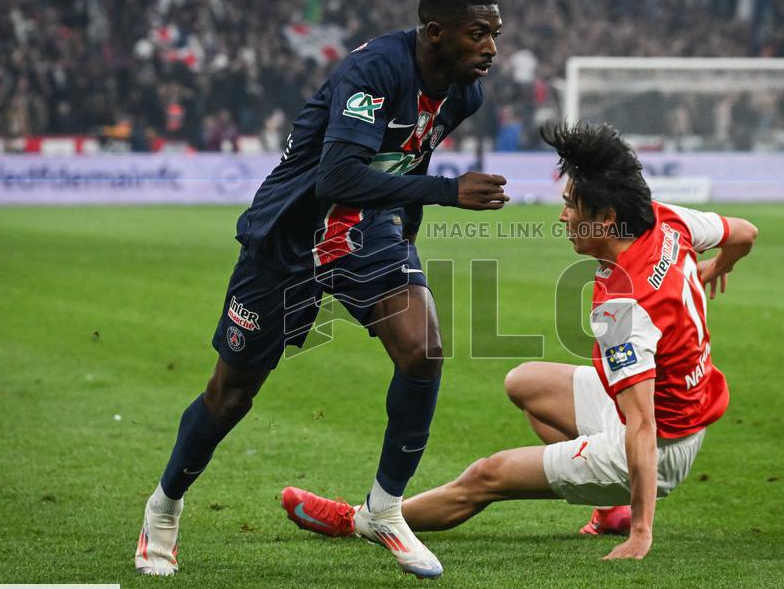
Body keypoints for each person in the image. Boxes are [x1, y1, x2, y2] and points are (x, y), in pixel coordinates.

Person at [135, 0, 507, 580]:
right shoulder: (374, 71)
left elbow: (409, 156)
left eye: (495, 34)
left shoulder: (465, 93)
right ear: (437, 33)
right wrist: (446, 193)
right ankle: (164, 506)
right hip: (290, 234)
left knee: (423, 350)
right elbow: (335, 176)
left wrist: (407, 229)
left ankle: (384, 509)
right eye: (479, 33)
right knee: (231, 395)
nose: (491, 47)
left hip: (367, 230)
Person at [282, 121, 758, 560]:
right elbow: (744, 233)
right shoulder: (664, 219)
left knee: (486, 476)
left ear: (607, 219)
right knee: (524, 383)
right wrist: (717, 266)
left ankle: (362, 520)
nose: (563, 217)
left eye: (572, 206)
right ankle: (610, 507)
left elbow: (642, 425)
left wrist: (642, 533)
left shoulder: (621, 307)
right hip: (678, 412)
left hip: (659, 445)